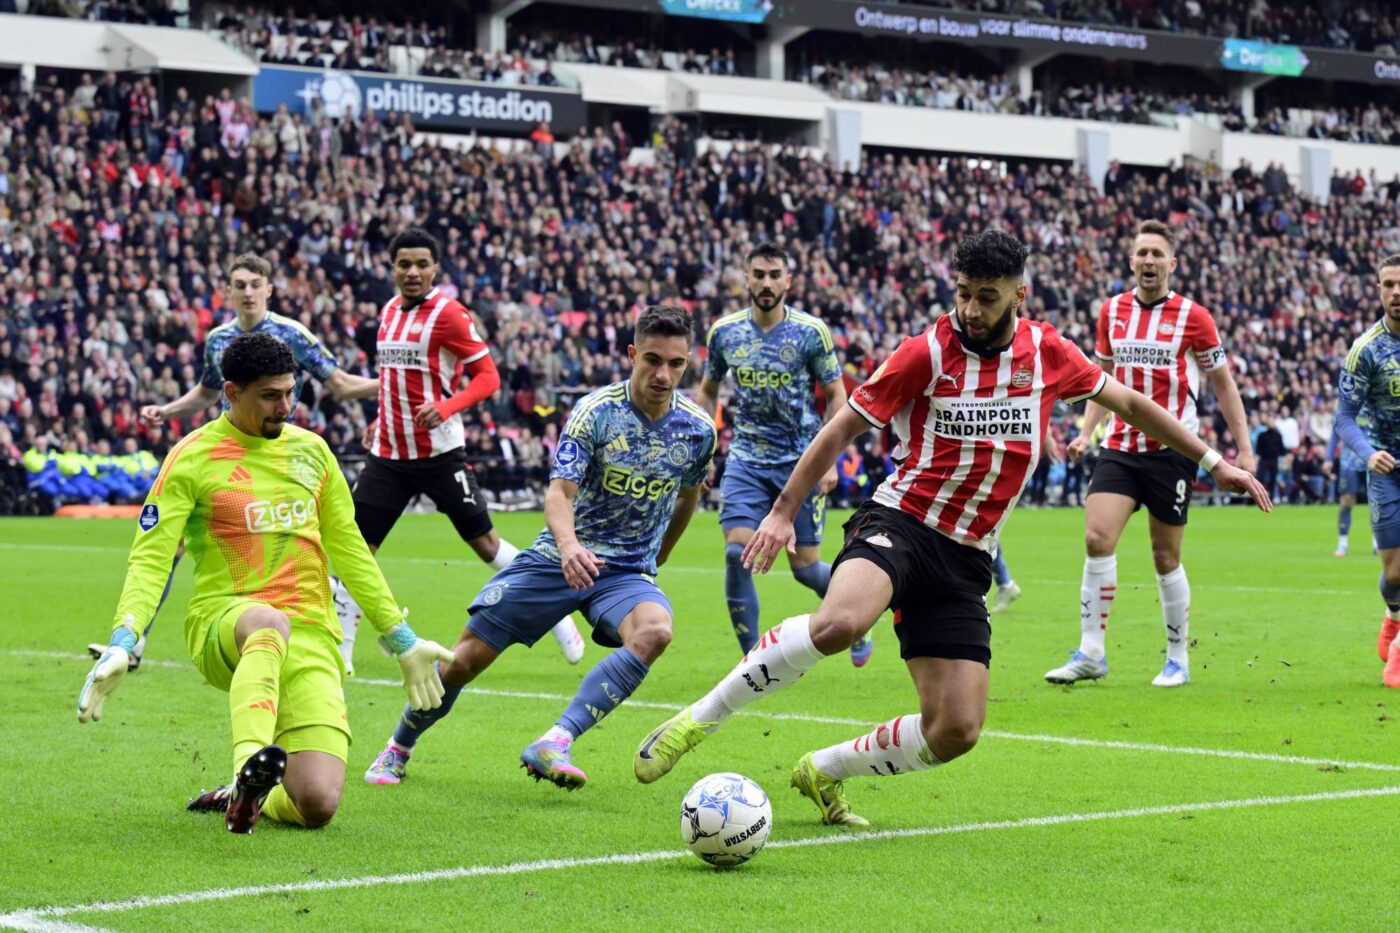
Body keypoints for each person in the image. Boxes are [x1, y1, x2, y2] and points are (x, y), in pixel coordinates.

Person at [630, 230, 1270, 827]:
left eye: (985, 297)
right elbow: (842, 427)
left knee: (956, 732)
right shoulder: (924, 352)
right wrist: (782, 511)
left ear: (1019, 294)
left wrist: (1218, 462)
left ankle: (823, 770)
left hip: (968, 557)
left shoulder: (1047, 353)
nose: (969, 308)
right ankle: (698, 720)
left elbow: (1131, 404)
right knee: (840, 622)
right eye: (962, 293)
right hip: (902, 521)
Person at [77, 333, 453, 834]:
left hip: (311, 633)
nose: (285, 406)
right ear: (231, 393)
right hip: (226, 623)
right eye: (270, 396)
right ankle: (246, 765)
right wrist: (126, 637)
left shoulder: (314, 454)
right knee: (267, 621)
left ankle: (248, 793)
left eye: (290, 392)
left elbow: (351, 550)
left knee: (316, 804)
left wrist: (401, 639)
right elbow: (151, 557)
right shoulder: (192, 457)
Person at [363, 305, 715, 788]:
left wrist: (660, 557)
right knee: (464, 661)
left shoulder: (698, 429)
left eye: (675, 364)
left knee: (655, 631)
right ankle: (398, 746)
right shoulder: (595, 413)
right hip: (558, 559)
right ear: (632, 354)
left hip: (626, 571)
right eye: (652, 359)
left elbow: (690, 494)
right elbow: (559, 494)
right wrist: (570, 548)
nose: (663, 374)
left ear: (688, 361)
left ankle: (556, 741)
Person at [87, 253, 380, 671]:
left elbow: (340, 383)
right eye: (239, 284)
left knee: (308, 544)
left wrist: (395, 385)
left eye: (254, 284)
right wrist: (167, 411)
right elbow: (207, 394)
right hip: (227, 462)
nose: (247, 292)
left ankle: (324, 619)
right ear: (228, 290)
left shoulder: (290, 334)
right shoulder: (218, 340)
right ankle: (135, 641)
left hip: (281, 460)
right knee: (169, 547)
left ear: (269, 290)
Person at [335, 228, 585, 674]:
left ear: (435, 268)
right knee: (357, 549)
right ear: (391, 268)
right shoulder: (389, 311)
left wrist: (446, 407)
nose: (412, 272)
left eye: (421, 264)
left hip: (439, 455)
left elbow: (488, 377)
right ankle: (344, 651)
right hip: (389, 456)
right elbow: (394, 379)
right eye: (403, 264)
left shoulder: (450, 315)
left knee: (486, 544)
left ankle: (557, 615)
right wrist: (381, 417)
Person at [1049, 220, 1255, 688]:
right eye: (1142, 252)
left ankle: (1178, 657)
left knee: (1165, 556)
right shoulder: (1112, 311)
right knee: (1097, 538)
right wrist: (1087, 432)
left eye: (1157, 254)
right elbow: (1099, 379)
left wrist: (1243, 448)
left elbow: (1222, 384)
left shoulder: (1194, 317)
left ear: (1172, 264)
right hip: (1119, 445)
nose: (1148, 261)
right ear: (1130, 260)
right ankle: (1091, 651)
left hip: (1172, 451)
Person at [699, 243, 865, 663]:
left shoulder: (811, 332)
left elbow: (836, 395)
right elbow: (707, 391)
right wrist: (700, 452)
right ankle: (750, 663)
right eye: (759, 274)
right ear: (747, 278)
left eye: (775, 274)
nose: (767, 282)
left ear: (788, 280)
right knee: (737, 553)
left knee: (806, 570)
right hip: (747, 460)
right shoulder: (724, 333)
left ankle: (858, 617)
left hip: (801, 462)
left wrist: (827, 461)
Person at [1335, 254, 1400, 686]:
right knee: (1394, 572)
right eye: (1388, 285)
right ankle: (1393, 613)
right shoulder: (1366, 350)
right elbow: (1343, 417)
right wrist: (1367, 452)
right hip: (1387, 469)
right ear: (1378, 290)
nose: (1396, 293)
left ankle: (1398, 651)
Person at [1325, 412, 1373, 557]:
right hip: (1349, 461)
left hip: (1373, 459)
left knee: (1378, 500)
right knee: (1346, 500)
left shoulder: (1376, 401)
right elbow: (1335, 434)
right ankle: (1342, 543)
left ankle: (1378, 542)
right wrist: (1328, 458)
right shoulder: (1347, 402)